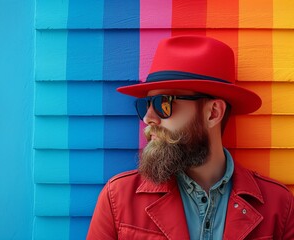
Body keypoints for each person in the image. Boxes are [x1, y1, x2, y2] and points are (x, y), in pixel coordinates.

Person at [87, 35, 294, 239]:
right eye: (146, 105)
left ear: (213, 113)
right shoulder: (119, 198)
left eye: (163, 103)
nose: (149, 118)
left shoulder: (278, 205)